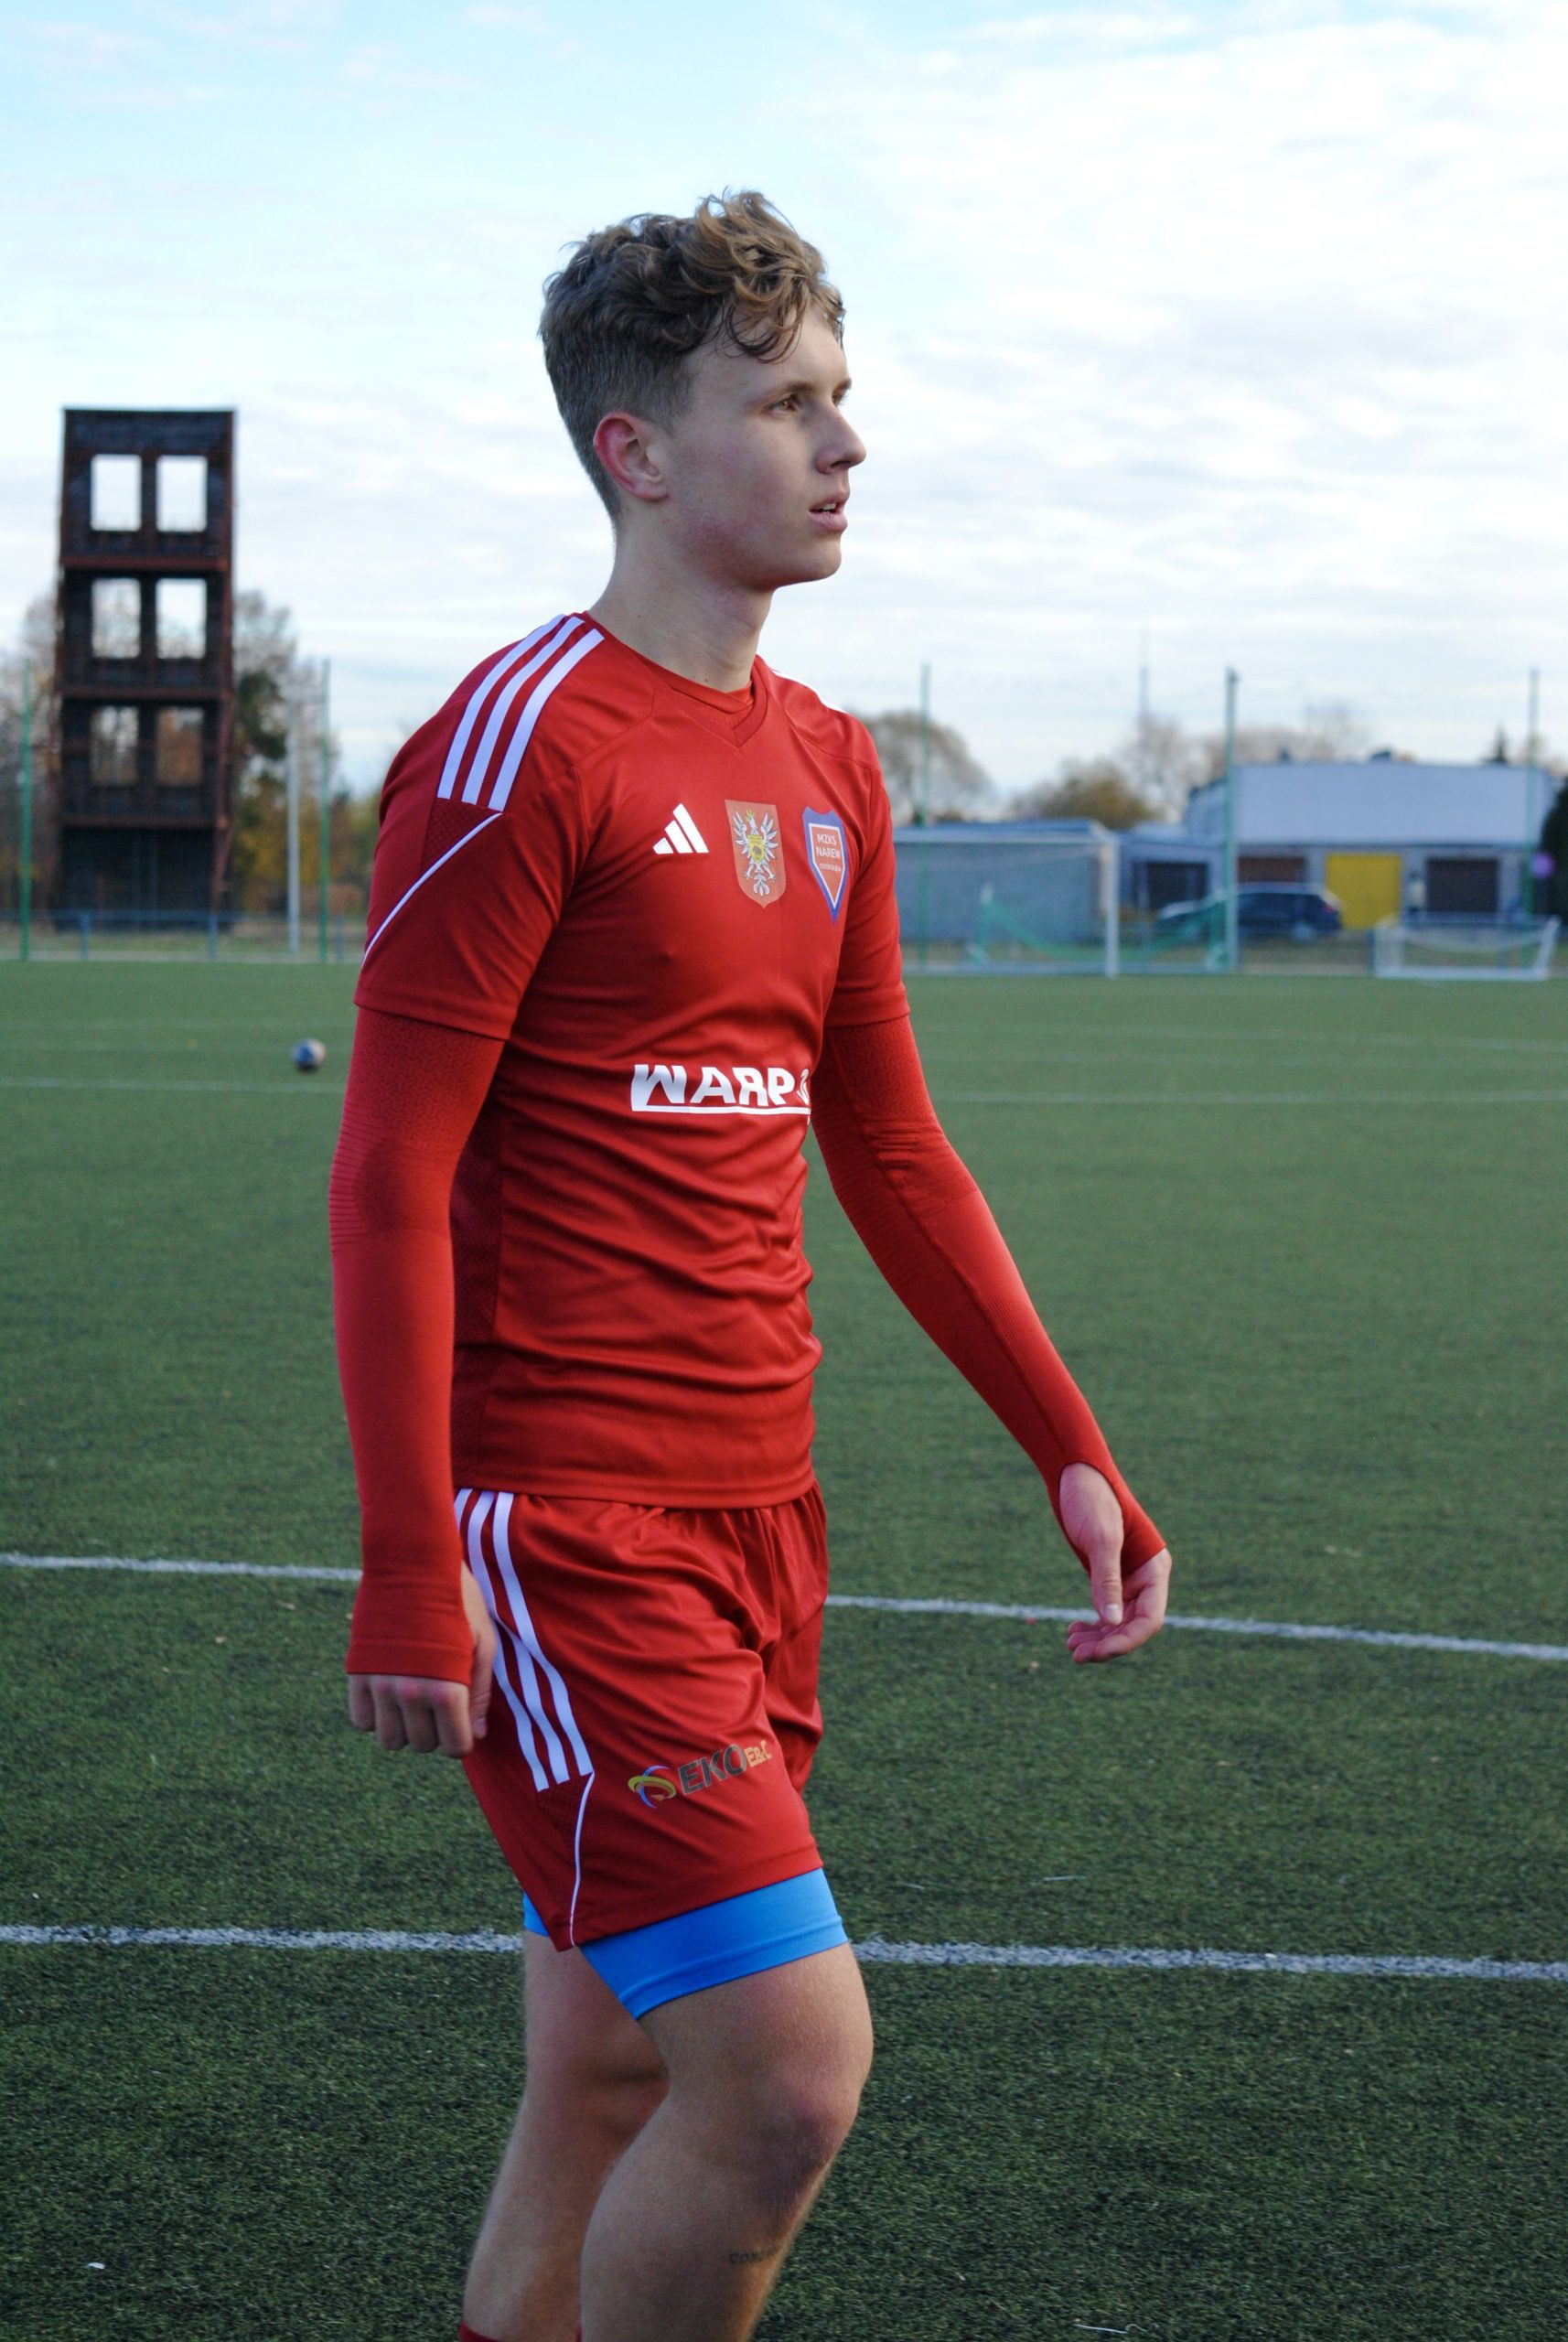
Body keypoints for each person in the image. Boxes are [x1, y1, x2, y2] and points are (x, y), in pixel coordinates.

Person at [329, 189, 1173, 2342]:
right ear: (634, 449)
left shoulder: (827, 763)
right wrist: (411, 1560)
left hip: (761, 1508)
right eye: (785, 403)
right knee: (787, 2072)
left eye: (840, 397)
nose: (843, 442)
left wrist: (1066, 1441)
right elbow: (391, 1168)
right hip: (566, 1523)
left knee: (612, 2069)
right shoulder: (520, 744)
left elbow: (883, 1141)